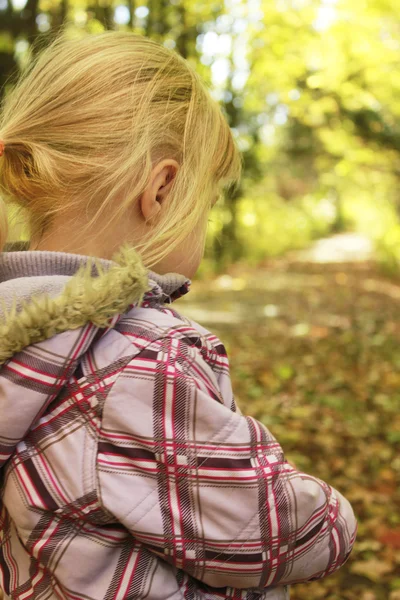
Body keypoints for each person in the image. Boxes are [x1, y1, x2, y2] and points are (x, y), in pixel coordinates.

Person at [0, 29, 357, 600]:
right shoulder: (143, 359)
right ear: (161, 191)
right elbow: (270, 532)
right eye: (207, 204)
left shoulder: (14, 332)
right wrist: (336, 516)